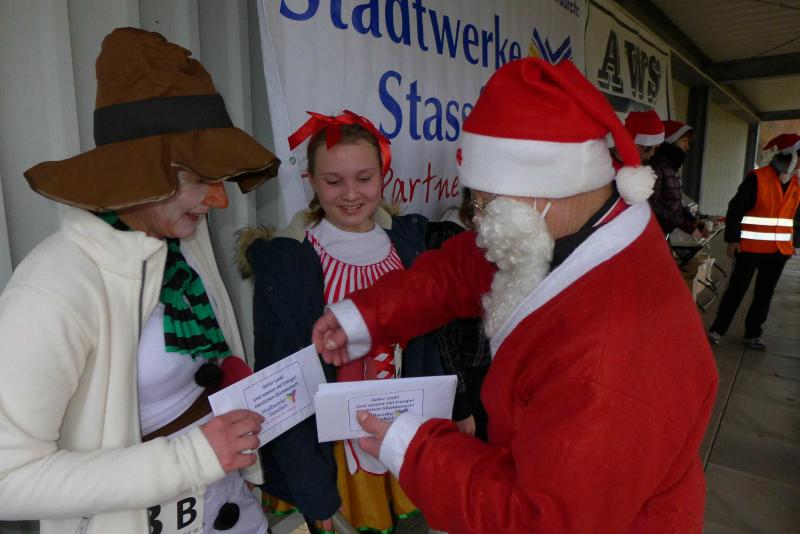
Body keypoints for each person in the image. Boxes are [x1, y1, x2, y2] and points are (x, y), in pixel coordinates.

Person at [311, 58, 719, 533]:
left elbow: (537, 521)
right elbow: (464, 267)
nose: (477, 216)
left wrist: (414, 446)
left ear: (546, 188)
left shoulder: (608, 358)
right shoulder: (573, 225)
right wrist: (364, 317)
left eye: (485, 200)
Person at [0, 28, 279, 534]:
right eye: (201, 178)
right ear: (139, 173)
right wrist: (193, 458)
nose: (220, 200)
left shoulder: (182, 239)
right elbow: (8, 478)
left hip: (227, 501)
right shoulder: (53, 288)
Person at [236, 111, 442, 533]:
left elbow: (429, 341)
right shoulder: (288, 264)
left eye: (364, 178)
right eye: (333, 181)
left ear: (382, 177)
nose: (350, 194)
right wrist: (313, 489)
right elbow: (282, 381)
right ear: (311, 180)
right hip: (331, 456)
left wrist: (454, 411)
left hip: (405, 434)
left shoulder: (410, 244)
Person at [708, 133, 800, 350]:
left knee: (765, 293)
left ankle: (753, 333)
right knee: (737, 289)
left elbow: (798, 216)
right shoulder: (757, 178)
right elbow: (736, 209)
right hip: (750, 248)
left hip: (779, 251)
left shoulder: (797, 182)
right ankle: (717, 329)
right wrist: (732, 240)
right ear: (790, 156)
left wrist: (795, 242)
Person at [425, 188, 491, 440]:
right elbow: (441, 333)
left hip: (491, 374)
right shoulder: (450, 237)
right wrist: (460, 403)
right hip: (465, 380)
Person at [649, 120, 708, 238]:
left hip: (661, 234)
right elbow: (653, 206)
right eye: (684, 141)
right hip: (651, 234)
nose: (687, 146)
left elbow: (673, 203)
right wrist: (687, 226)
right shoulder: (656, 168)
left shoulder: (669, 168)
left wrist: (693, 220)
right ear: (669, 142)